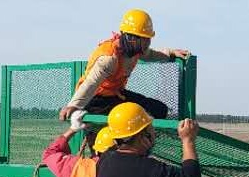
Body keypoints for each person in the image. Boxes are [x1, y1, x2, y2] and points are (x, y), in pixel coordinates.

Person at [59, 8, 190, 122]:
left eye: (149, 38)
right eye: (144, 39)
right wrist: (74, 105)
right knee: (129, 119)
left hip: (116, 94)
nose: (148, 43)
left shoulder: (136, 50)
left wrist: (171, 52)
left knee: (158, 109)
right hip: (96, 100)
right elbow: (91, 83)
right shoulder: (109, 58)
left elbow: (150, 54)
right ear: (131, 38)